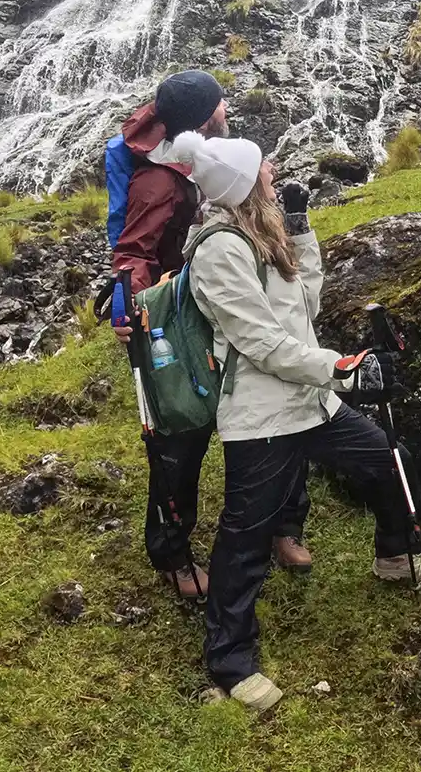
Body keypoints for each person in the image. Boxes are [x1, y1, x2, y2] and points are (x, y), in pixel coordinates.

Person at [172, 129, 421, 712]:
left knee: (387, 461)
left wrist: (301, 230)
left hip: (308, 399)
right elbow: (261, 342)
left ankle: (396, 556)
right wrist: (342, 368)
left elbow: (305, 308)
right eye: (263, 168)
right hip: (263, 411)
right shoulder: (218, 248)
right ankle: (231, 661)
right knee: (247, 533)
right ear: (243, 185)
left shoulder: (260, 229)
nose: (273, 170)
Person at [111, 69, 310, 600]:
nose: (228, 107)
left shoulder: (224, 152)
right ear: (207, 115)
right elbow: (133, 250)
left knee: (278, 411)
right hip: (181, 322)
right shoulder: (159, 179)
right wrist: (129, 310)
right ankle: (173, 554)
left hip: (237, 299)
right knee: (181, 434)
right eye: (221, 102)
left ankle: (284, 524)